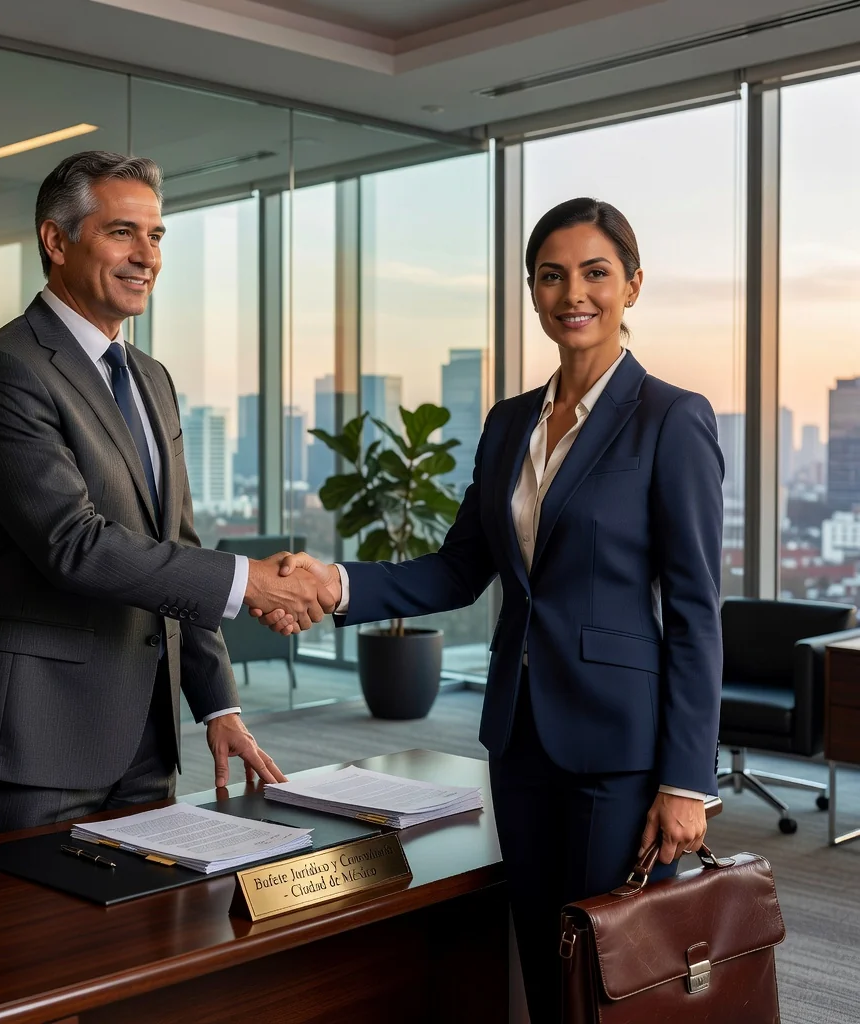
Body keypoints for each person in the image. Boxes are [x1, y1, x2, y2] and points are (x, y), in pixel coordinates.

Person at [254, 198, 723, 1023]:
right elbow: (461, 567)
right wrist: (335, 584)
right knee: (544, 956)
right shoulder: (511, 425)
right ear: (534, 293)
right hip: (520, 735)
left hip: (619, 746)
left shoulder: (670, 419)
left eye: (595, 273)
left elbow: (694, 610)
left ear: (633, 286)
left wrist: (688, 780)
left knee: (616, 970)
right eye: (552, 276)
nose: (572, 293)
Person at [0, 151, 334, 836]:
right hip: (39, 736)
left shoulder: (151, 378)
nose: (146, 255)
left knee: (155, 934)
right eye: (123, 232)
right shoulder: (3, 371)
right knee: (34, 943)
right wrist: (250, 584)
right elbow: (75, 545)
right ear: (57, 242)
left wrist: (218, 706)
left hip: (148, 733)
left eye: (156, 236)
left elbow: (174, 550)